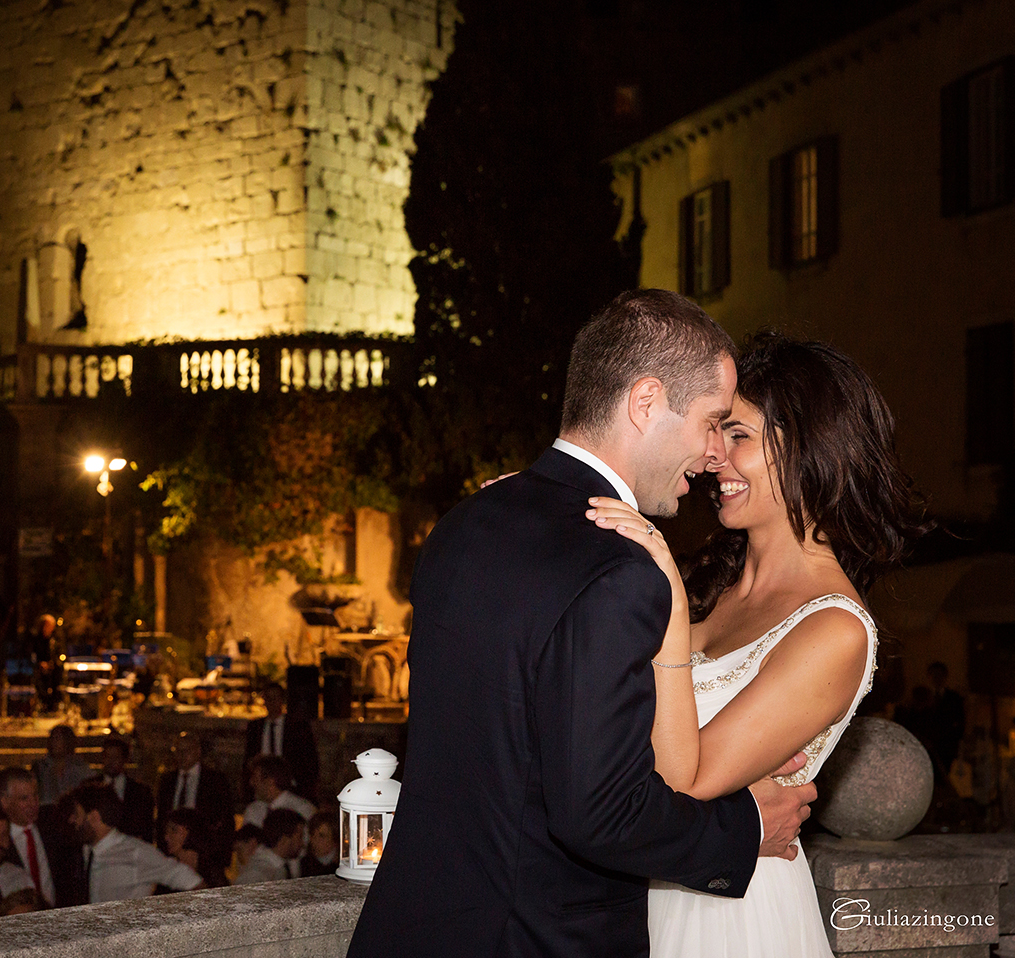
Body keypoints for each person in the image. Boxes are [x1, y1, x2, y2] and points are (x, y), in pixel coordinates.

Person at [347, 291, 815, 958]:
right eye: (712, 422)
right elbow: (600, 812)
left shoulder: (463, 524)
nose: (714, 453)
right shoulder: (619, 570)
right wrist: (741, 830)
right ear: (647, 402)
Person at [586, 332, 930, 957]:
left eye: (737, 436)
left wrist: (662, 589)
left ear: (808, 447)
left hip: (731, 920)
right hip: (644, 895)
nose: (713, 456)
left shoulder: (836, 629)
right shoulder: (712, 591)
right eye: (715, 432)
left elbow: (684, 782)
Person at [66, 784, 204, 903]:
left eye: (77, 815)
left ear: (94, 817)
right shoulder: (85, 852)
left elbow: (190, 880)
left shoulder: (135, 852)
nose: (72, 820)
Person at [0, 766, 83, 907]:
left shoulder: (53, 826)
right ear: (5, 802)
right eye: (24, 798)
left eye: (35, 796)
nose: (33, 804)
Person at [157, 733, 235, 858]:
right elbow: (162, 815)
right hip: (172, 847)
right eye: (178, 751)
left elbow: (225, 818)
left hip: (203, 848)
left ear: (197, 751)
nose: (182, 755)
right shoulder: (168, 780)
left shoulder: (214, 780)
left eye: (186, 750)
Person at [244, 683, 319, 800]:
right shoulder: (256, 727)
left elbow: (309, 760)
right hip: (262, 787)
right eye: (268, 698)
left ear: (282, 700)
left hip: (292, 786)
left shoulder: (298, 727)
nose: (272, 702)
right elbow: (248, 757)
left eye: (275, 698)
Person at [99, 738, 154, 842]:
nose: (111, 761)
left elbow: (146, 828)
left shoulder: (140, 791)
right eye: (107, 756)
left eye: (116, 757)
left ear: (125, 759)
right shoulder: (90, 787)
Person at [234, 808, 305, 884]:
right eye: (299, 837)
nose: (302, 843)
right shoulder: (258, 873)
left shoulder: (283, 867)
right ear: (284, 839)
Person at [242, 756, 315, 829]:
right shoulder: (253, 810)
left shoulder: (302, 809)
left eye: (255, 779)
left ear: (270, 781)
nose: (251, 783)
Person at [33, 724, 96, 805]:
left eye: (59, 739)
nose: (54, 743)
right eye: (53, 739)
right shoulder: (40, 768)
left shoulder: (81, 768)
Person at [298, 810, 339, 877]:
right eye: (312, 834)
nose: (314, 840)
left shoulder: (344, 865)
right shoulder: (303, 865)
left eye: (322, 836)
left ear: (335, 839)